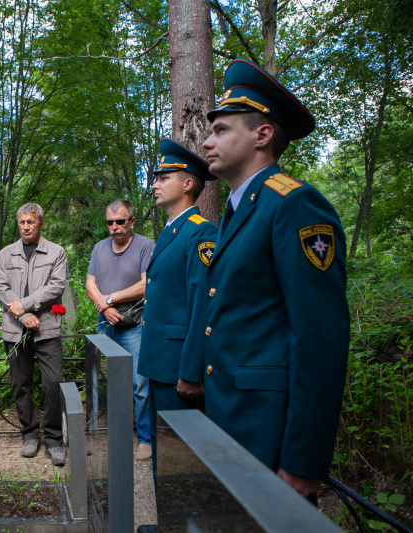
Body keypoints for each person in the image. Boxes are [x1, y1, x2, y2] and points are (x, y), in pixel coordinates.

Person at [198, 58, 349, 499]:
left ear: (262, 135)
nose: (207, 142)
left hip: (267, 424)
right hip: (230, 410)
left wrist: (303, 460)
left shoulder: (295, 206)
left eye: (221, 130)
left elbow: (319, 337)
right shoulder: (238, 210)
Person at [137, 140, 217, 485]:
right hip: (160, 360)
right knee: (164, 453)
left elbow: (204, 305)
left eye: (163, 177)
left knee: (185, 461)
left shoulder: (201, 232)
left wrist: (193, 370)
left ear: (187, 184)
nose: (154, 183)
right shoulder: (171, 231)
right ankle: (165, 515)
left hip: (179, 366)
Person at [0, 203, 68, 466]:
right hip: (15, 330)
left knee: (53, 382)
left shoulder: (56, 252)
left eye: (31, 222)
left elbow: (56, 287)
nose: (26, 227)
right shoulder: (6, 254)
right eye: (22, 222)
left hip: (47, 328)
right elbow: (2, 288)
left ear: (41, 223)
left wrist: (26, 305)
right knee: (20, 384)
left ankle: (53, 439)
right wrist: (24, 315)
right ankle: (29, 435)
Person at [86, 199, 155, 461]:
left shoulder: (146, 246)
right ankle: (118, 434)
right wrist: (104, 308)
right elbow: (90, 282)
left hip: (134, 324)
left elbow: (146, 284)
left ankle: (145, 439)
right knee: (112, 383)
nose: (114, 227)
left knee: (140, 384)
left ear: (132, 221)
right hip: (106, 322)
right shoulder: (99, 248)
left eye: (120, 222)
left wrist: (111, 299)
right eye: (109, 222)